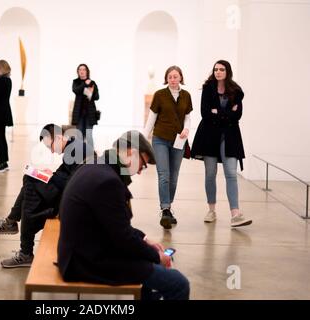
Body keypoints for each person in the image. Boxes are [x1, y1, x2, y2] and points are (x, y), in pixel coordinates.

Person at [57, 131, 190, 300]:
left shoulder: (98, 165)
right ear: (130, 152)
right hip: (87, 261)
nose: (141, 171)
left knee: (148, 265)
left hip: (81, 251)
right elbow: (123, 238)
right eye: (143, 163)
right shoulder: (108, 181)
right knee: (178, 283)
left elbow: (114, 224)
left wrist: (144, 239)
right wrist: (156, 256)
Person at [0, 124, 94, 268]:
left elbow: (72, 184)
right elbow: (68, 176)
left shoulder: (76, 150)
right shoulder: (75, 147)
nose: (52, 151)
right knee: (30, 183)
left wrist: (51, 177)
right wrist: (49, 175)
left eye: (51, 146)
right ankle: (18, 237)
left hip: (74, 201)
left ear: (59, 137)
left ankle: (20, 241)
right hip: (70, 196)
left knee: (30, 186)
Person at [191, 60, 252, 228]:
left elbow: (237, 115)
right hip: (209, 136)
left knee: (231, 173)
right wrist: (226, 113)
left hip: (230, 136)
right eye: (216, 69)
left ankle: (236, 214)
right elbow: (205, 113)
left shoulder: (236, 91)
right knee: (210, 173)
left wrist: (218, 112)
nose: (218, 72)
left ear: (227, 71)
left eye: (221, 69)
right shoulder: (208, 88)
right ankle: (211, 210)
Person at [143, 66, 193, 229]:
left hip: (179, 140)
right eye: (170, 77)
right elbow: (152, 118)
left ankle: (168, 208)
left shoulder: (186, 96)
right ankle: (165, 209)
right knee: (164, 174)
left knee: (174, 176)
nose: (173, 79)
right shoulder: (159, 95)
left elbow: (187, 117)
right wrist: (143, 138)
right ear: (167, 79)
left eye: (175, 76)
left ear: (180, 78)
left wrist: (187, 129)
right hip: (160, 139)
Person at [71, 63, 99, 149]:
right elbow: (76, 90)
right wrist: (85, 84)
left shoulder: (92, 82)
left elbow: (97, 97)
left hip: (89, 114)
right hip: (79, 114)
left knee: (89, 136)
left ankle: (92, 158)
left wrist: (91, 92)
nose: (82, 71)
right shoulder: (75, 82)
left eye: (84, 69)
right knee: (79, 137)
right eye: (80, 69)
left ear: (87, 71)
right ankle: (79, 157)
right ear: (78, 72)